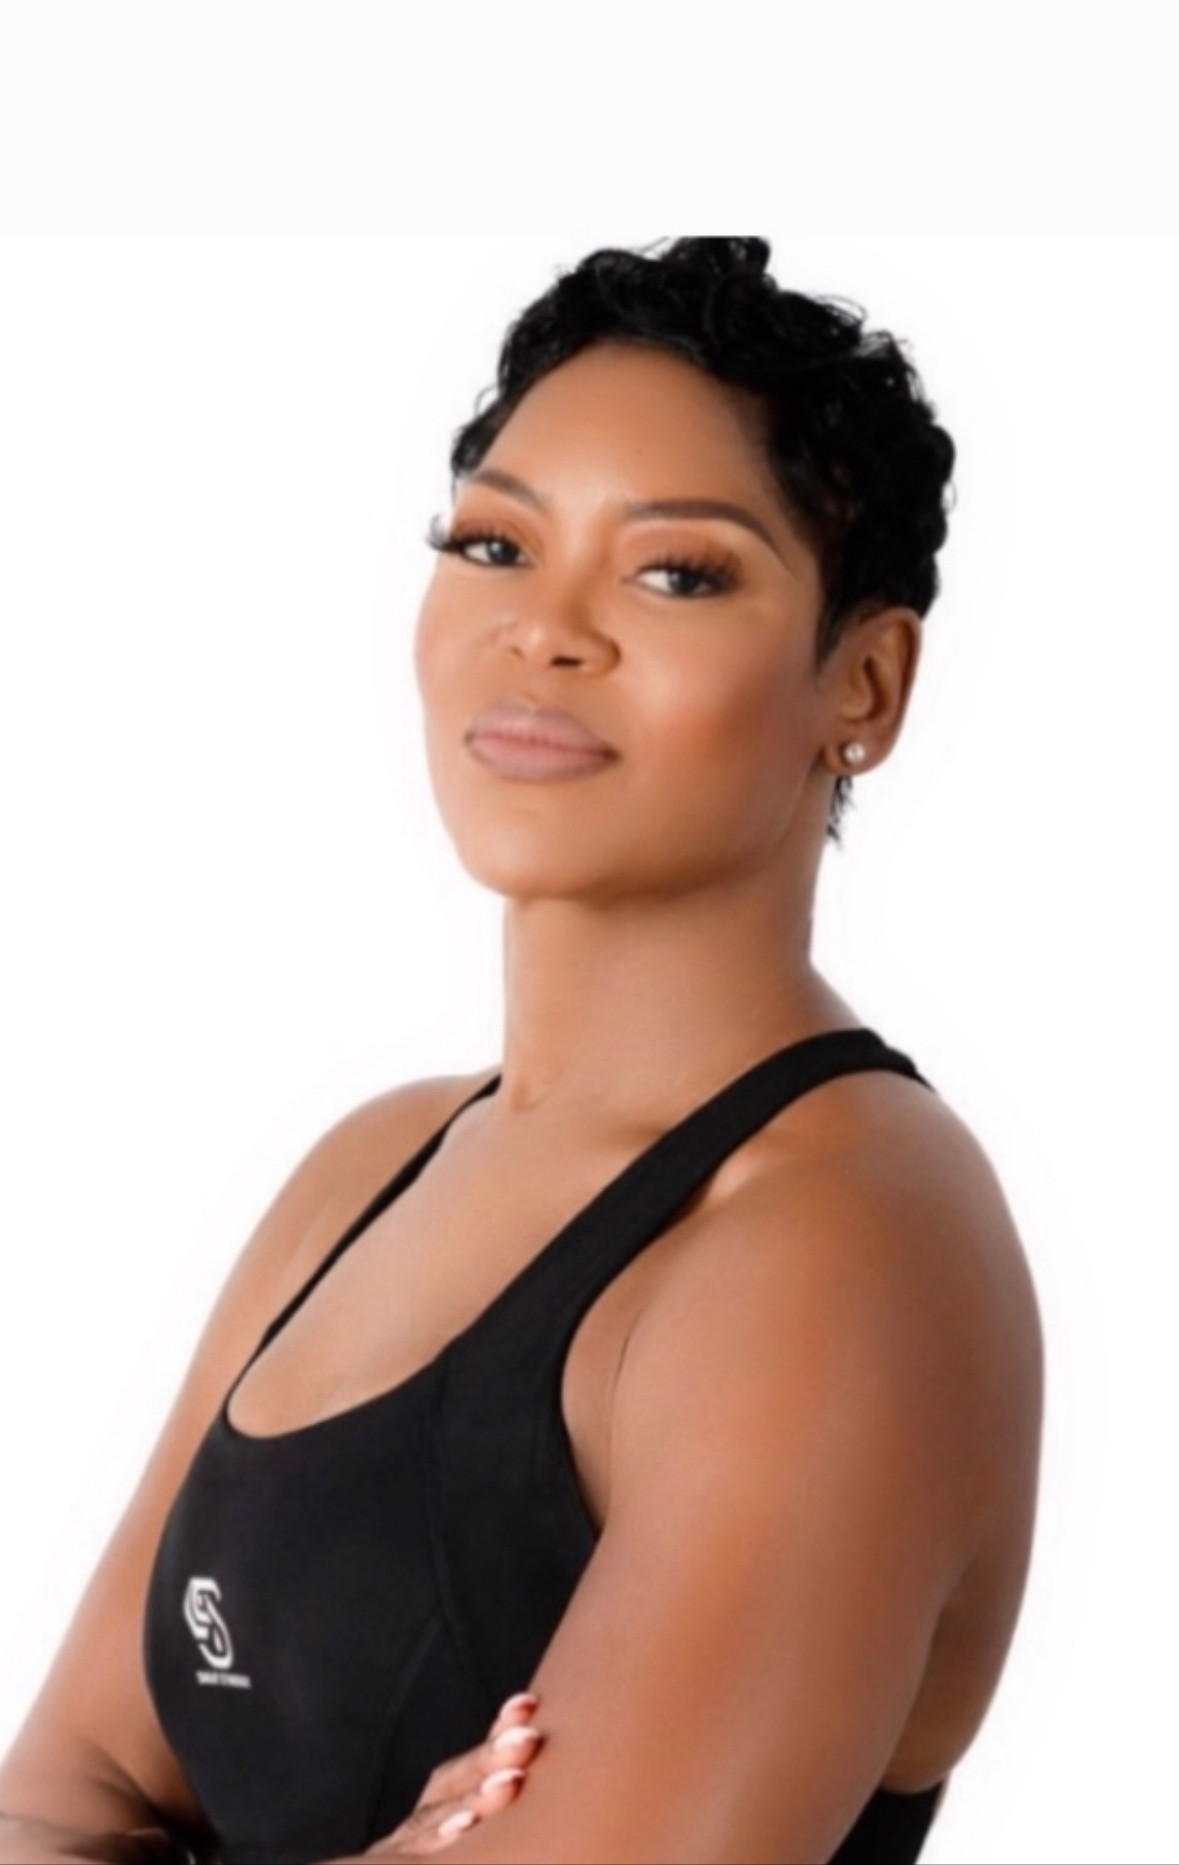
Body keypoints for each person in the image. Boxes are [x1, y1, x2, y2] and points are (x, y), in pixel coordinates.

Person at [0, 236, 1042, 1865]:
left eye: (676, 573)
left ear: (864, 681)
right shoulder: (373, 1164)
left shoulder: (848, 1242)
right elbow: (48, 1804)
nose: (542, 630)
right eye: (493, 543)